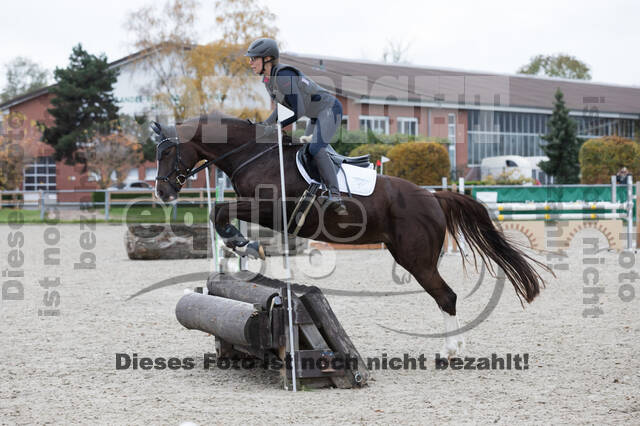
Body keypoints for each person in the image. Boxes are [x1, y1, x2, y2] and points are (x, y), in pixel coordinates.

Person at [245, 37, 347, 215]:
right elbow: (282, 108)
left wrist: (277, 126)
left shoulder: (284, 76)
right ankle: (314, 189)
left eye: (254, 58)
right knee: (303, 150)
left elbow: (298, 110)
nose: (250, 62)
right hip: (315, 116)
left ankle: (335, 195)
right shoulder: (269, 80)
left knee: (315, 148)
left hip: (329, 109)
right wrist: (263, 126)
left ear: (267, 59)